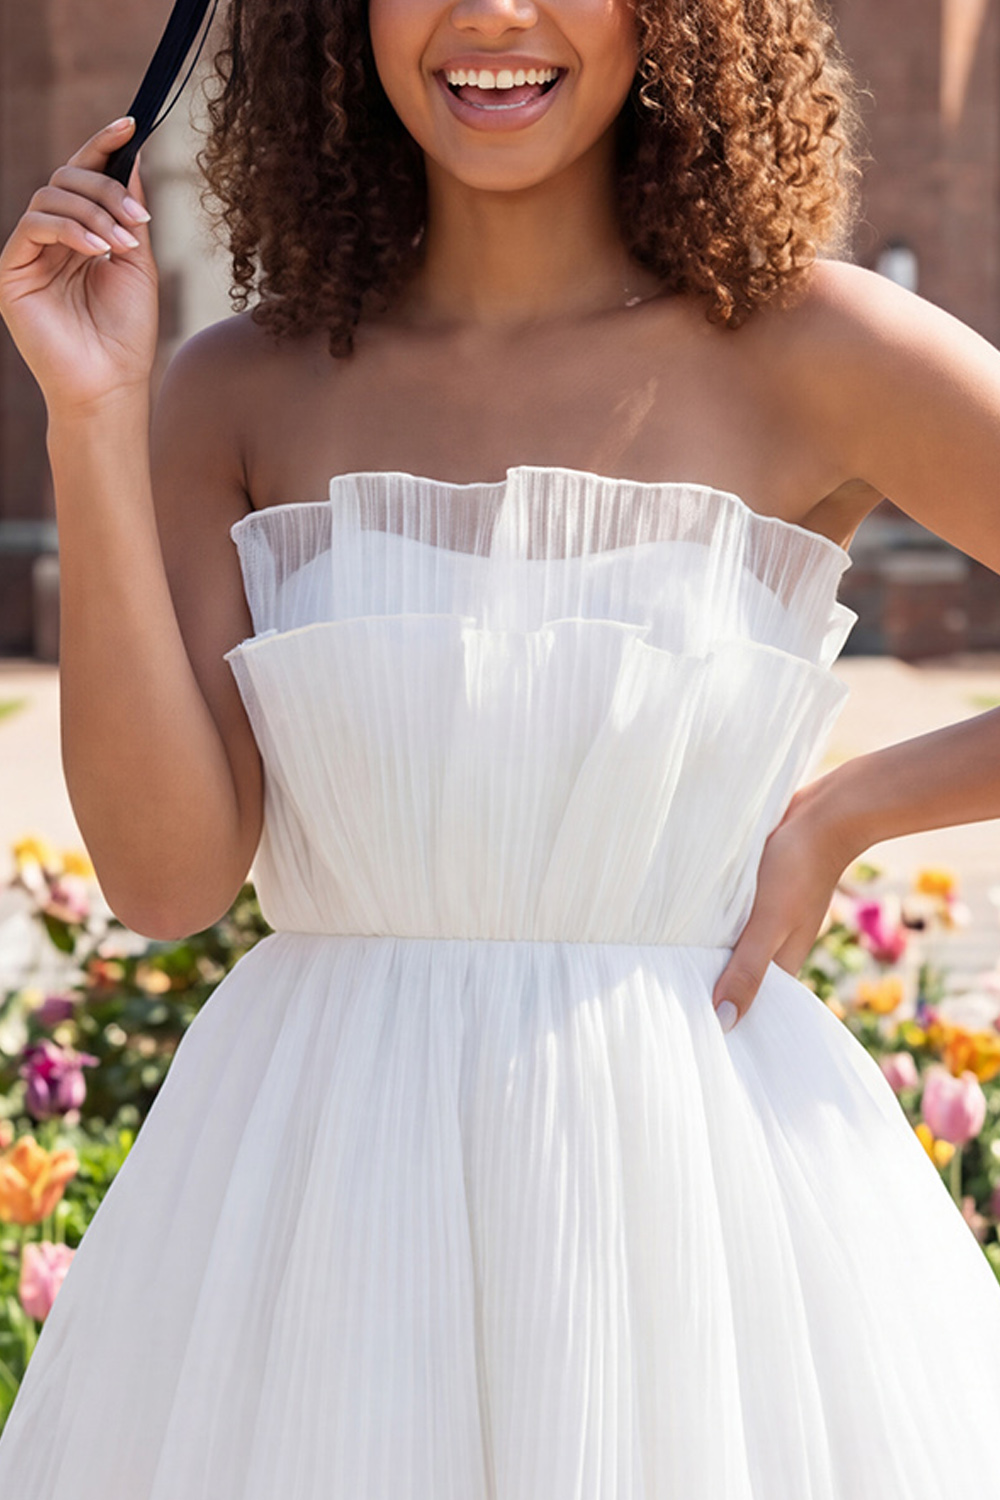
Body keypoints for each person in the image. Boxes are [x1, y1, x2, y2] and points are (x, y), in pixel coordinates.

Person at [2, 0, 1000, 1494]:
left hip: (693, 1221)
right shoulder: (234, 391)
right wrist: (89, 415)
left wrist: (846, 812)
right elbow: (167, 881)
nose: (491, 15)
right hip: (314, 1208)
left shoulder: (813, 345)